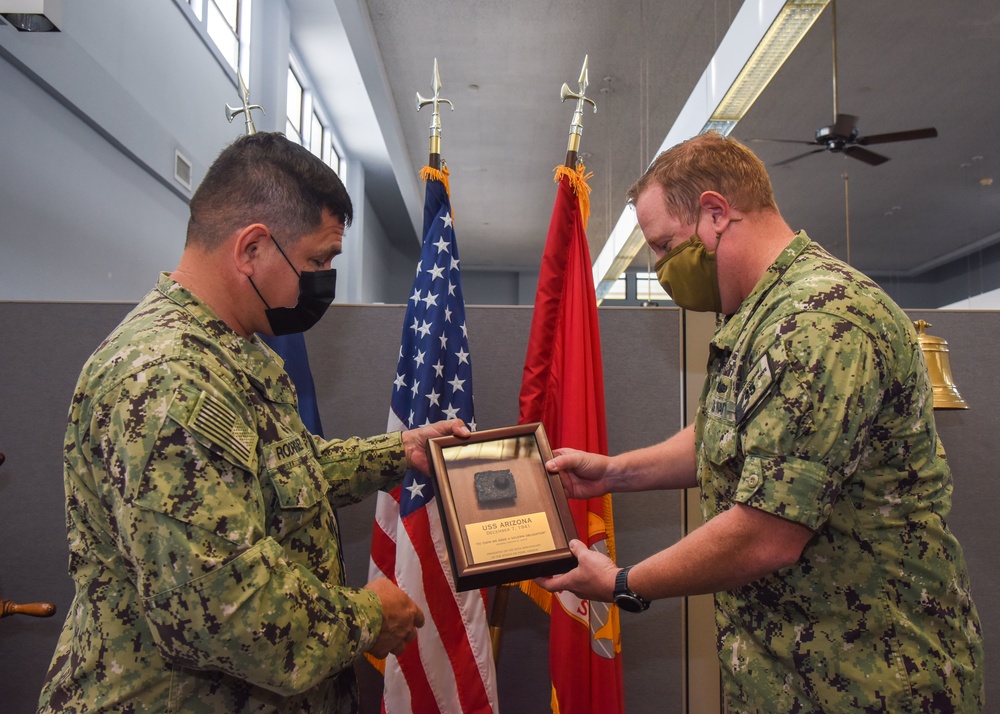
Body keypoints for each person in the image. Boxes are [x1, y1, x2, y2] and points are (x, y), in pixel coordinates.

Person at [537, 132, 984, 712]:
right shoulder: (762, 313)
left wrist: (623, 584)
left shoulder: (819, 322)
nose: (661, 267)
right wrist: (614, 473)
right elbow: (731, 435)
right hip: (791, 674)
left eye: (665, 245)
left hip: (869, 679)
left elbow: (766, 533)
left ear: (716, 213)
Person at [37, 132, 469, 713]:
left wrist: (401, 452)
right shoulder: (167, 380)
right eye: (317, 261)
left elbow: (280, 473)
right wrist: (370, 616)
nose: (322, 282)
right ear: (252, 249)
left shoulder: (234, 349)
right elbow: (221, 611)